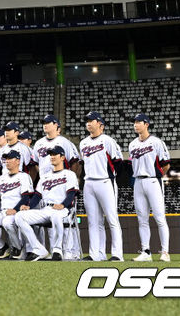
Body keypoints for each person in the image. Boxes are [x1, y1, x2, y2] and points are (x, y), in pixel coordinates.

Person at [15, 145, 79, 261]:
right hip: (46, 209)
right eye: (51, 154)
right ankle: (39, 249)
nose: (52, 157)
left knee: (55, 214)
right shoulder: (45, 177)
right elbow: (37, 196)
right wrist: (29, 206)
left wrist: (63, 205)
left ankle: (57, 250)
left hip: (63, 209)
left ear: (63, 157)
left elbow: (72, 194)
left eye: (55, 154)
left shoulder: (69, 174)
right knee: (19, 216)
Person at [79, 110, 124, 261]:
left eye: (91, 120)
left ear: (100, 124)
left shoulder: (107, 141)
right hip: (89, 183)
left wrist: (111, 176)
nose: (88, 123)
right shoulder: (83, 143)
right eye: (87, 121)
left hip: (105, 182)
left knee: (112, 219)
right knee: (93, 221)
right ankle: (96, 254)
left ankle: (117, 254)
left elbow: (118, 162)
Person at [128, 113, 171, 262]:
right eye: (134, 122)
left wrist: (157, 176)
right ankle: (146, 252)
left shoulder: (156, 142)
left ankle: (165, 252)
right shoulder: (132, 144)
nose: (135, 124)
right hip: (138, 182)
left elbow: (166, 164)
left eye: (138, 122)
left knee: (159, 218)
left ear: (146, 124)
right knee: (142, 220)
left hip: (153, 181)